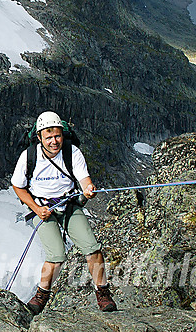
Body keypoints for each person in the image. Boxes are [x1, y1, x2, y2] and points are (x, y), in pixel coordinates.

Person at [10, 110, 117, 314]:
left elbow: (83, 178)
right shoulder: (29, 156)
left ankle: (103, 293)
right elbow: (18, 186)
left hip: (67, 205)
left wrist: (88, 188)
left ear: (63, 134)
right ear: (39, 137)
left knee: (92, 248)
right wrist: (36, 208)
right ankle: (42, 295)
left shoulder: (72, 152)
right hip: (42, 209)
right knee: (56, 255)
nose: (54, 141)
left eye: (57, 135)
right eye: (48, 136)